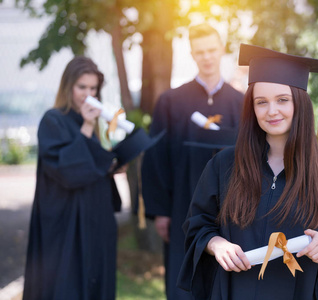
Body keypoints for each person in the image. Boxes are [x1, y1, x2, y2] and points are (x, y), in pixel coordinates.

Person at [177, 44, 318, 299]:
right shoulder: (224, 166)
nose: (271, 111)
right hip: (236, 290)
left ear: (299, 103)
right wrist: (216, 244)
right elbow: (197, 225)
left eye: (282, 100)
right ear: (251, 108)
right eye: (261, 102)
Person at [141, 23, 244, 299]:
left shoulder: (242, 104)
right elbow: (156, 159)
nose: (207, 57)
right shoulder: (171, 102)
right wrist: (161, 211)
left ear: (221, 49)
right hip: (182, 208)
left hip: (233, 212)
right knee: (182, 281)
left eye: (211, 50)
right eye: (200, 52)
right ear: (192, 54)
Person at [23, 56, 123, 300]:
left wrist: (113, 164)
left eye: (93, 89)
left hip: (95, 216)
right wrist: (87, 127)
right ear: (68, 86)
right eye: (82, 88)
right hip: (66, 220)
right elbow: (67, 171)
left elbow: (94, 168)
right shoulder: (53, 120)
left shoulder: (98, 123)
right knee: (67, 284)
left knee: (96, 281)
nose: (87, 94)